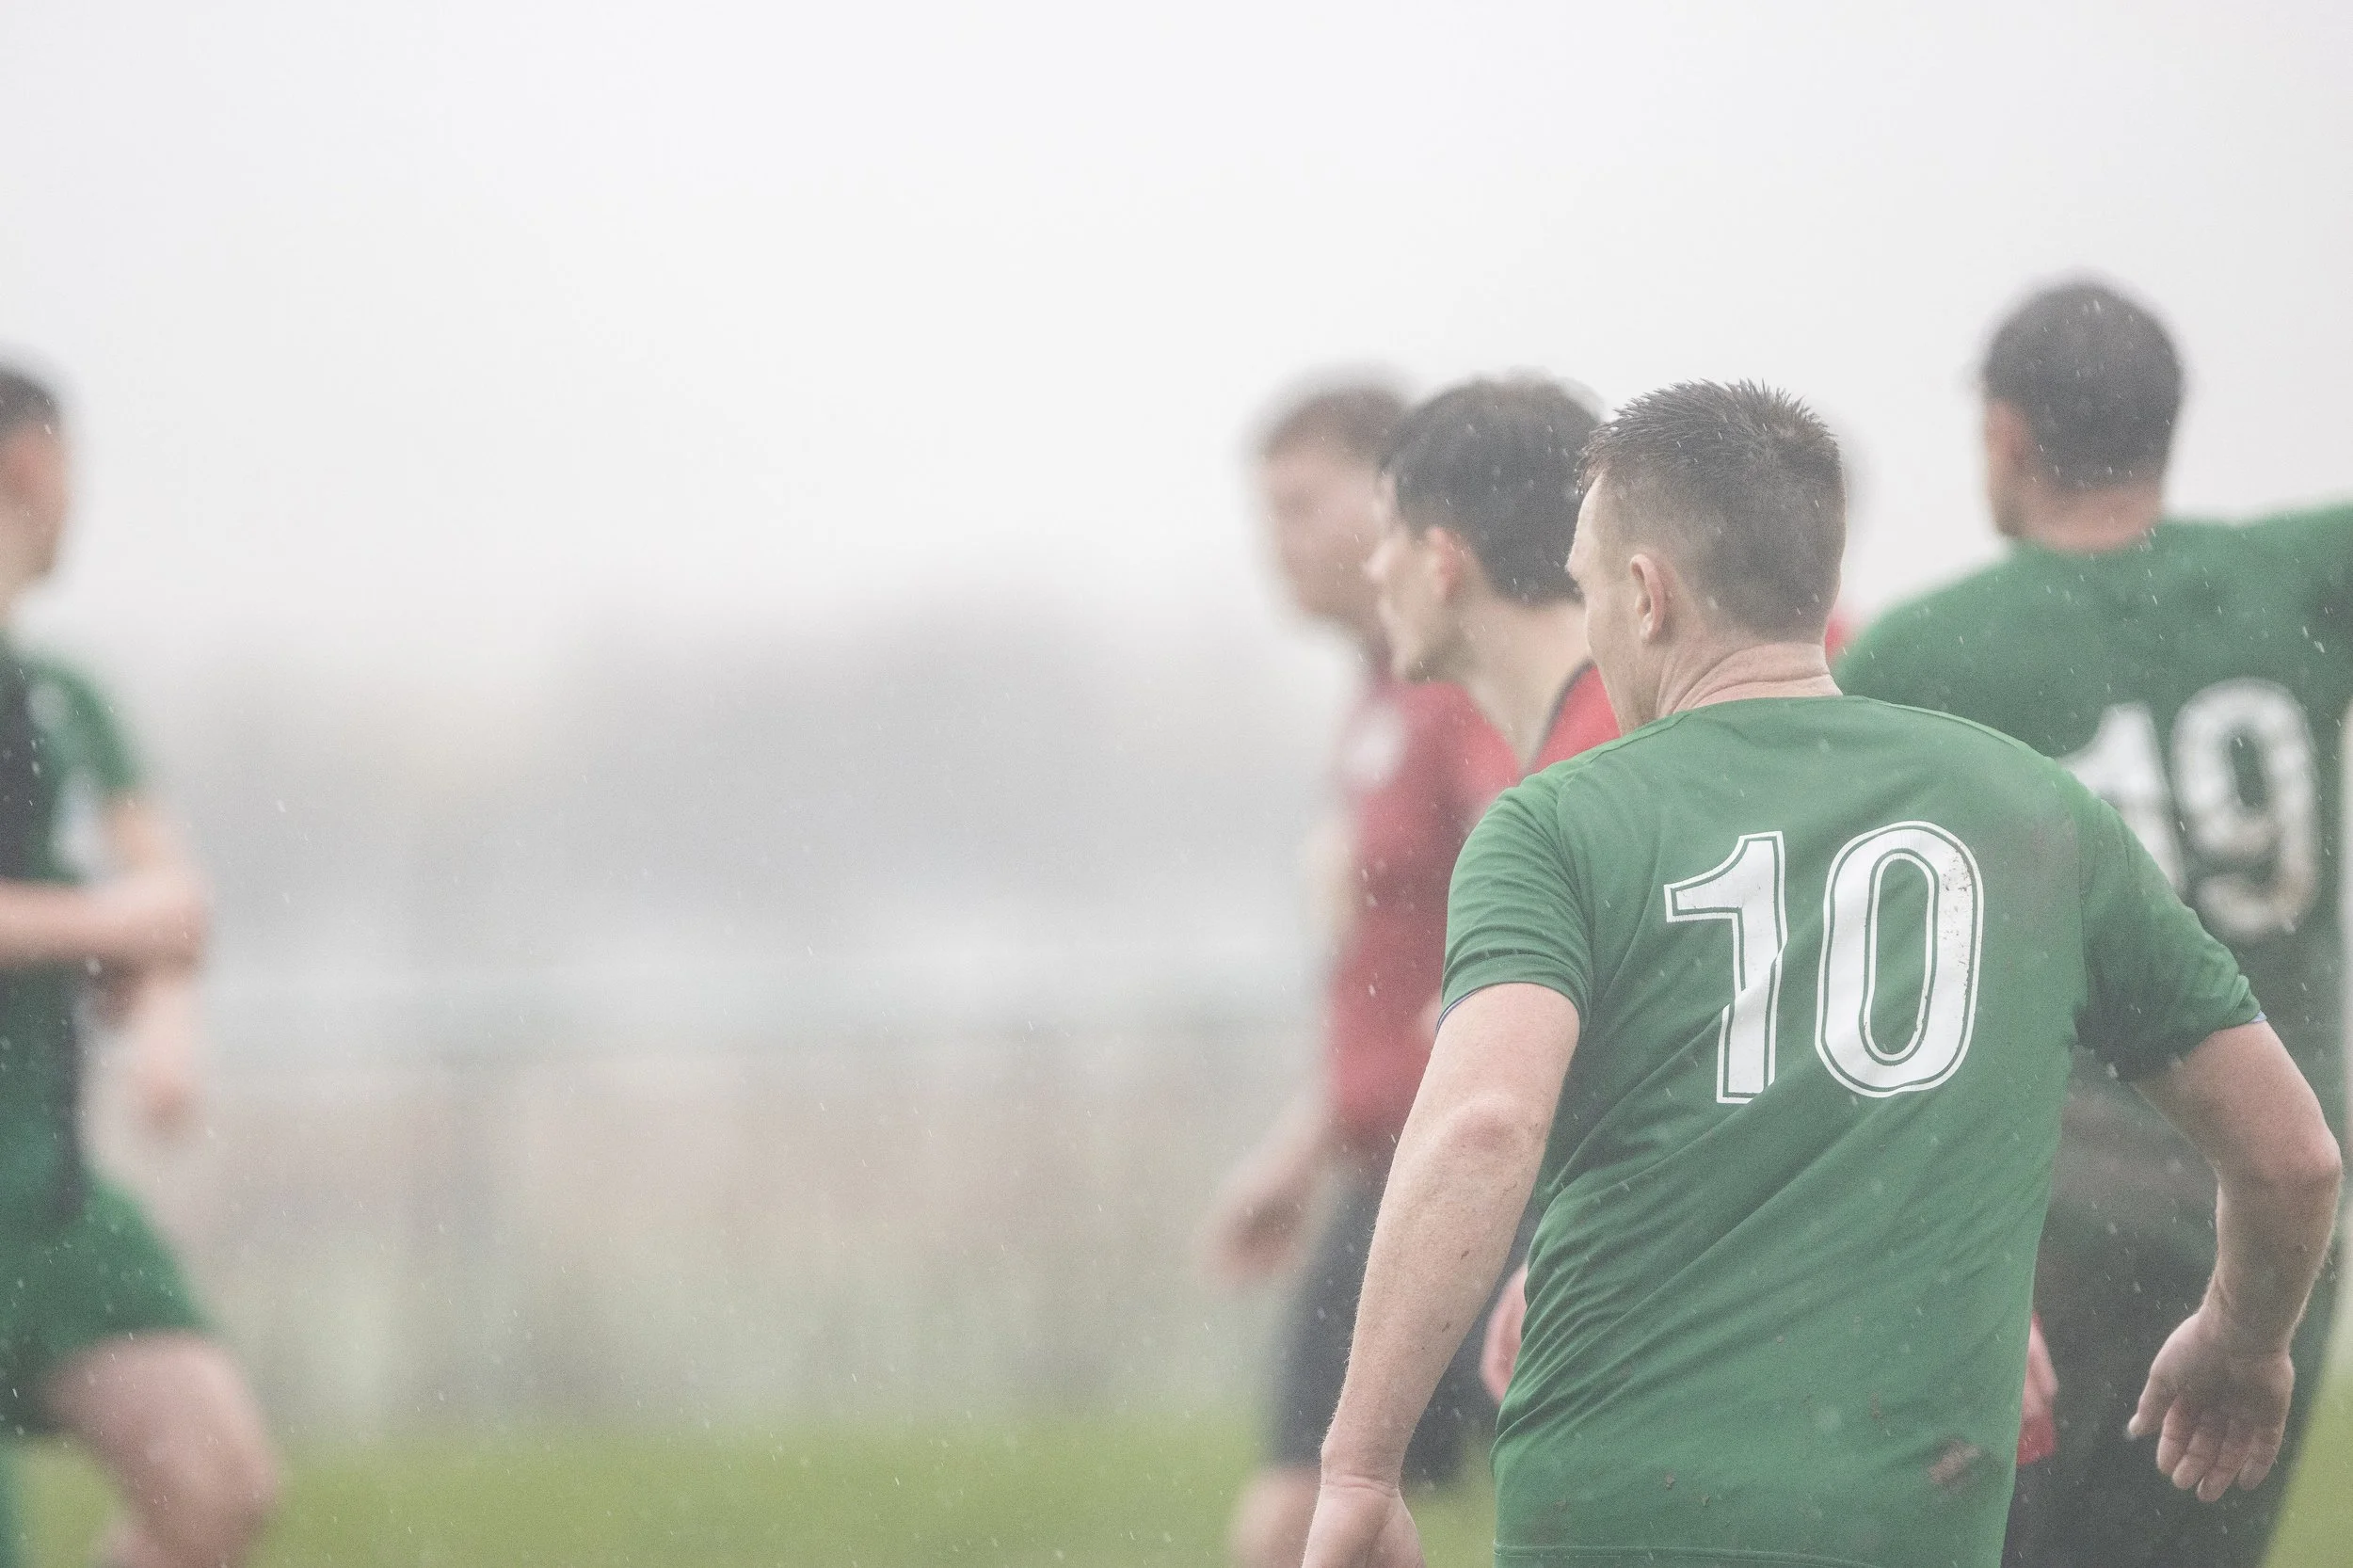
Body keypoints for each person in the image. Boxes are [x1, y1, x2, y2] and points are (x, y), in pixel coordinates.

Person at [1299, 380, 2340, 1568]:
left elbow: (1483, 1123)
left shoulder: (1553, 825)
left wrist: (1362, 1465)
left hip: (1617, 1503)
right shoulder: (2035, 812)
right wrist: (2243, 1336)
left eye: (1588, 586)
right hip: (1906, 1506)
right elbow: (2293, 1158)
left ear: (1644, 595)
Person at [1837, 280, 2349, 1568]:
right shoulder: (2299, 573)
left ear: (2006, 436)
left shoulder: (1926, 650)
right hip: (2271, 1184)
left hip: (2047, 1204)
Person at [1199, 381, 1526, 1568]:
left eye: (1299, 504)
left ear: (1395, 502)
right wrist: (1299, 1151)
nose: (1272, 542)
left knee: (1303, 1522)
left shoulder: (1454, 686)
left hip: (1475, 1156)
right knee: (1336, 1522)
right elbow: (1386, 968)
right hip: (1388, 1159)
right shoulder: (1374, 693)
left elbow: (1535, 894)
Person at [0, 367, 278, 1568]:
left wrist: (167, 1030)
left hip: (43, 1205)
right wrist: (101, 931)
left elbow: (171, 902)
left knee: (215, 1482)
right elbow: (127, 916)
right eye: (49, 482)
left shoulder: (63, 706)